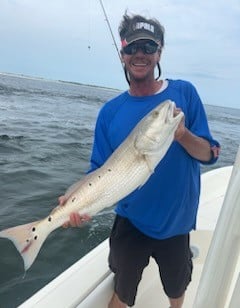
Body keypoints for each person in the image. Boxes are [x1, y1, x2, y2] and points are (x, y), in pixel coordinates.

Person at [59, 13, 220, 308]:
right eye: (132, 48)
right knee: (122, 292)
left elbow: (209, 153)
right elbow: (98, 170)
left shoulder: (184, 93)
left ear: (159, 52)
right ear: (122, 55)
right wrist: (76, 204)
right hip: (131, 222)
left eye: (148, 46)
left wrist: (182, 134)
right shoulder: (110, 112)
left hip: (177, 224)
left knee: (176, 288)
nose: (140, 54)